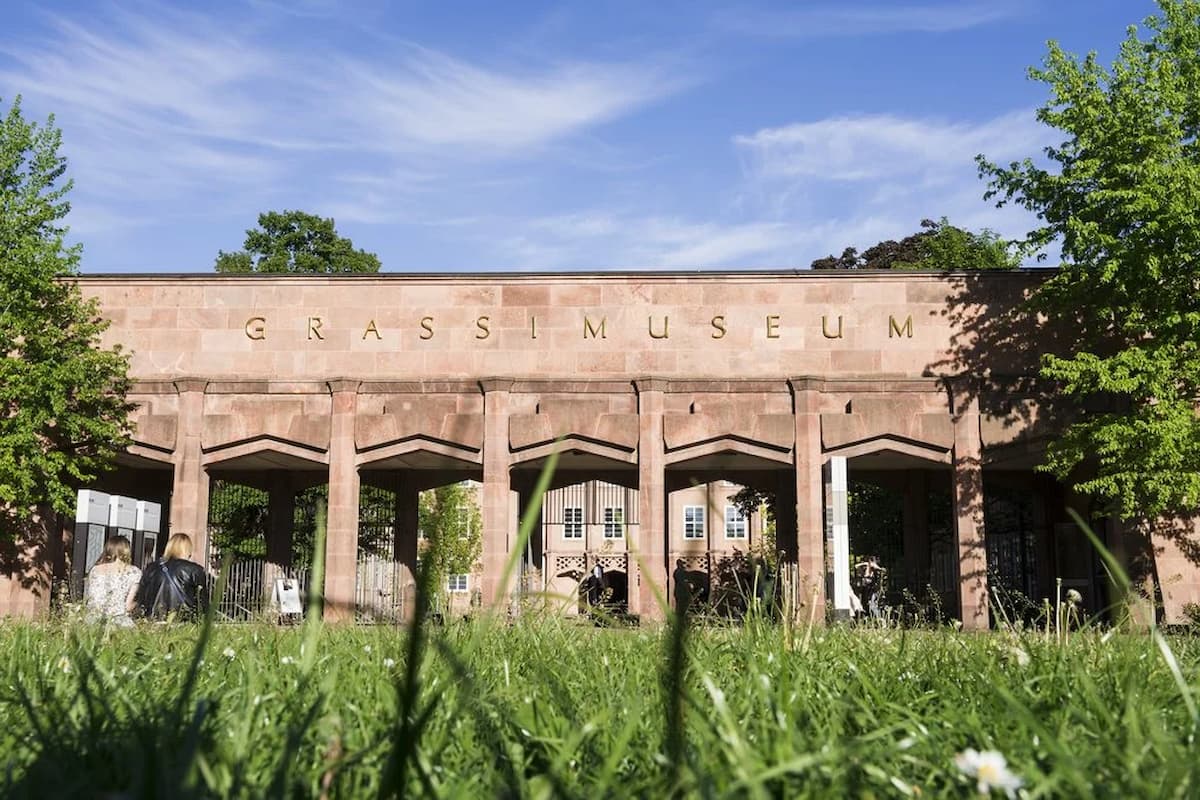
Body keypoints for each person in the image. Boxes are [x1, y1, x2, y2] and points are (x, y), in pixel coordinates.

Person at [135, 533, 209, 620]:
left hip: (154, 620)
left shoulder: (151, 568)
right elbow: (202, 603)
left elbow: (141, 597)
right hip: (184, 621)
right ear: (188, 549)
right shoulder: (195, 570)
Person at [82, 535, 142, 627]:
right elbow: (128, 606)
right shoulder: (134, 572)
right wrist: (140, 604)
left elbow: (90, 597)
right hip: (118, 621)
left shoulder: (95, 570)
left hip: (93, 620)